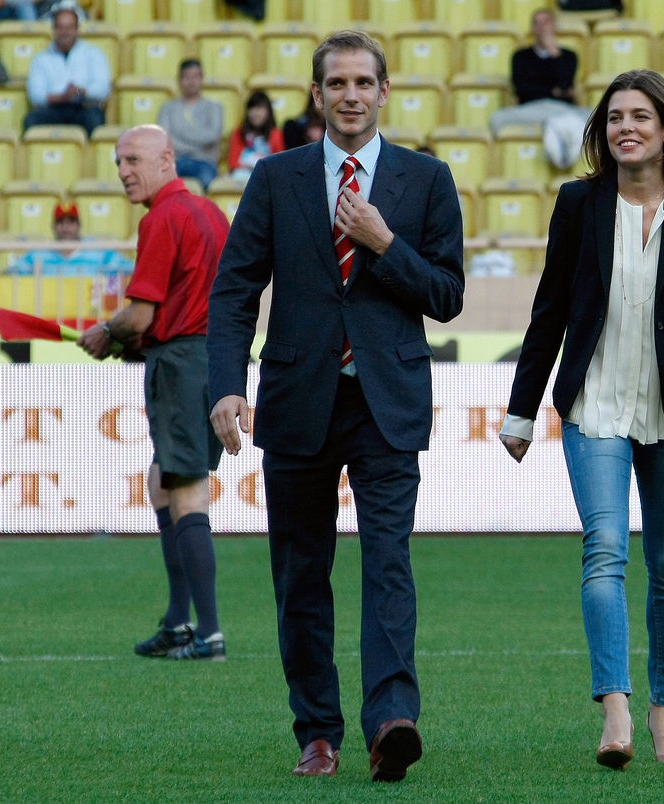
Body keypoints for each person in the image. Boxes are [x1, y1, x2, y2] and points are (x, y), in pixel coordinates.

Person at [206, 30, 464, 782]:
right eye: (337, 83)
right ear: (316, 96)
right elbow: (233, 294)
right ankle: (317, 732)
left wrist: (385, 243)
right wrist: (227, 386)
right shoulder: (275, 176)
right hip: (295, 400)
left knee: (389, 565)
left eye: (364, 82)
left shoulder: (426, 179)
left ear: (385, 93)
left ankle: (391, 723)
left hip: (388, 403)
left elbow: (447, 296)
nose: (351, 95)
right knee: (300, 573)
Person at [499, 69, 664, 770]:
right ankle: (616, 712)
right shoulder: (577, 204)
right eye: (613, 118)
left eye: (639, 116)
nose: (625, 127)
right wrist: (521, 410)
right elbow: (549, 309)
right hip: (593, 407)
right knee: (604, 547)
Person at [77, 125, 230, 662]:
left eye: (134, 160)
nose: (123, 171)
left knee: (185, 488)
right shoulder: (211, 214)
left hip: (183, 365)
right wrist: (140, 340)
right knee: (162, 480)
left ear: (167, 160)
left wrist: (107, 332)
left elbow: (141, 313)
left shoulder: (162, 218)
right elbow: (199, 302)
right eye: (119, 162)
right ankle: (178, 621)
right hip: (213, 358)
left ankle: (208, 632)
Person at [488, 7, 590, 170]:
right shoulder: (520, 56)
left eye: (546, 22)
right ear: (532, 29)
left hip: (560, 109)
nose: (542, 27)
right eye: (537, 23)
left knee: (594, 116)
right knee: (496, 119)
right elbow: (521, 89)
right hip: (531, 110)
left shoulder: (568, 56)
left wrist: (554, 53)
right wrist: (554, 92)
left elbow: (564, 84)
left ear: (554, 26)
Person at [7, 201, 135, 312]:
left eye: (71, 222)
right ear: (53, 226)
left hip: (88, 316)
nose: (66, 227)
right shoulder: (39, 252)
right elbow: (10, 274)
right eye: (60, 222)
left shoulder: (98, 250)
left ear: (79, 225)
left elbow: (130, 268)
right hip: (50, 314)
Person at [23, 1, 110, 136]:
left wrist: (79, 91)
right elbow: (35, 95)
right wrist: (62, 97)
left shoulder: (93, 53)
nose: (65, 32)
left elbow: (102, 89)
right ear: (54, 29)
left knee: (94, 119)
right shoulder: (41, 58)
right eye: (60, 27)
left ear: (76, 28)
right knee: (31, 120)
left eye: (69, 27)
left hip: (84, 108)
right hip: (53, 109)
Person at [157, 59, 224, 192]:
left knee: (207, 180)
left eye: (195, 76)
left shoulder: (214, 107)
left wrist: (181, 134)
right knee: (158, 182)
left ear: (202, 79)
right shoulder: (167, 108)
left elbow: (213, 136)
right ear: (179, 80)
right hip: (176, 162)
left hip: (204, 162)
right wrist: (199, 146)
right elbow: (164, 140)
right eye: (187, 77)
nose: (191, 81)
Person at [227, 90, 284, 183]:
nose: (256, 113)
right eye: (252, 108)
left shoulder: (276, 135)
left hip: (267, 177)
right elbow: (233, 163)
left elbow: (280, 164)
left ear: (268, 112)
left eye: (260, 108)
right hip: (242, 176)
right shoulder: (238, 133)